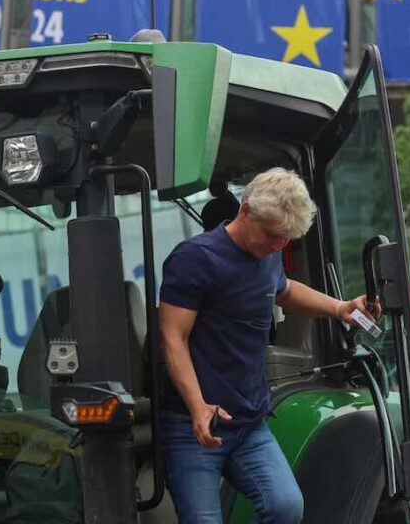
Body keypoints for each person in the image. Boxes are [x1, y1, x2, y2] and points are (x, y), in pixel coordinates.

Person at [159, 167, 377, 523]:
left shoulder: (269, 254)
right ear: (245, 210)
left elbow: (284, 289)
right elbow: (173, 337)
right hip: (194, 422)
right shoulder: (194, 258)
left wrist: (340, 308)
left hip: (248, 422)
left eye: (286, 239)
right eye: (273, 235)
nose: (278, 246)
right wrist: (197, 406)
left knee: (286, 507)